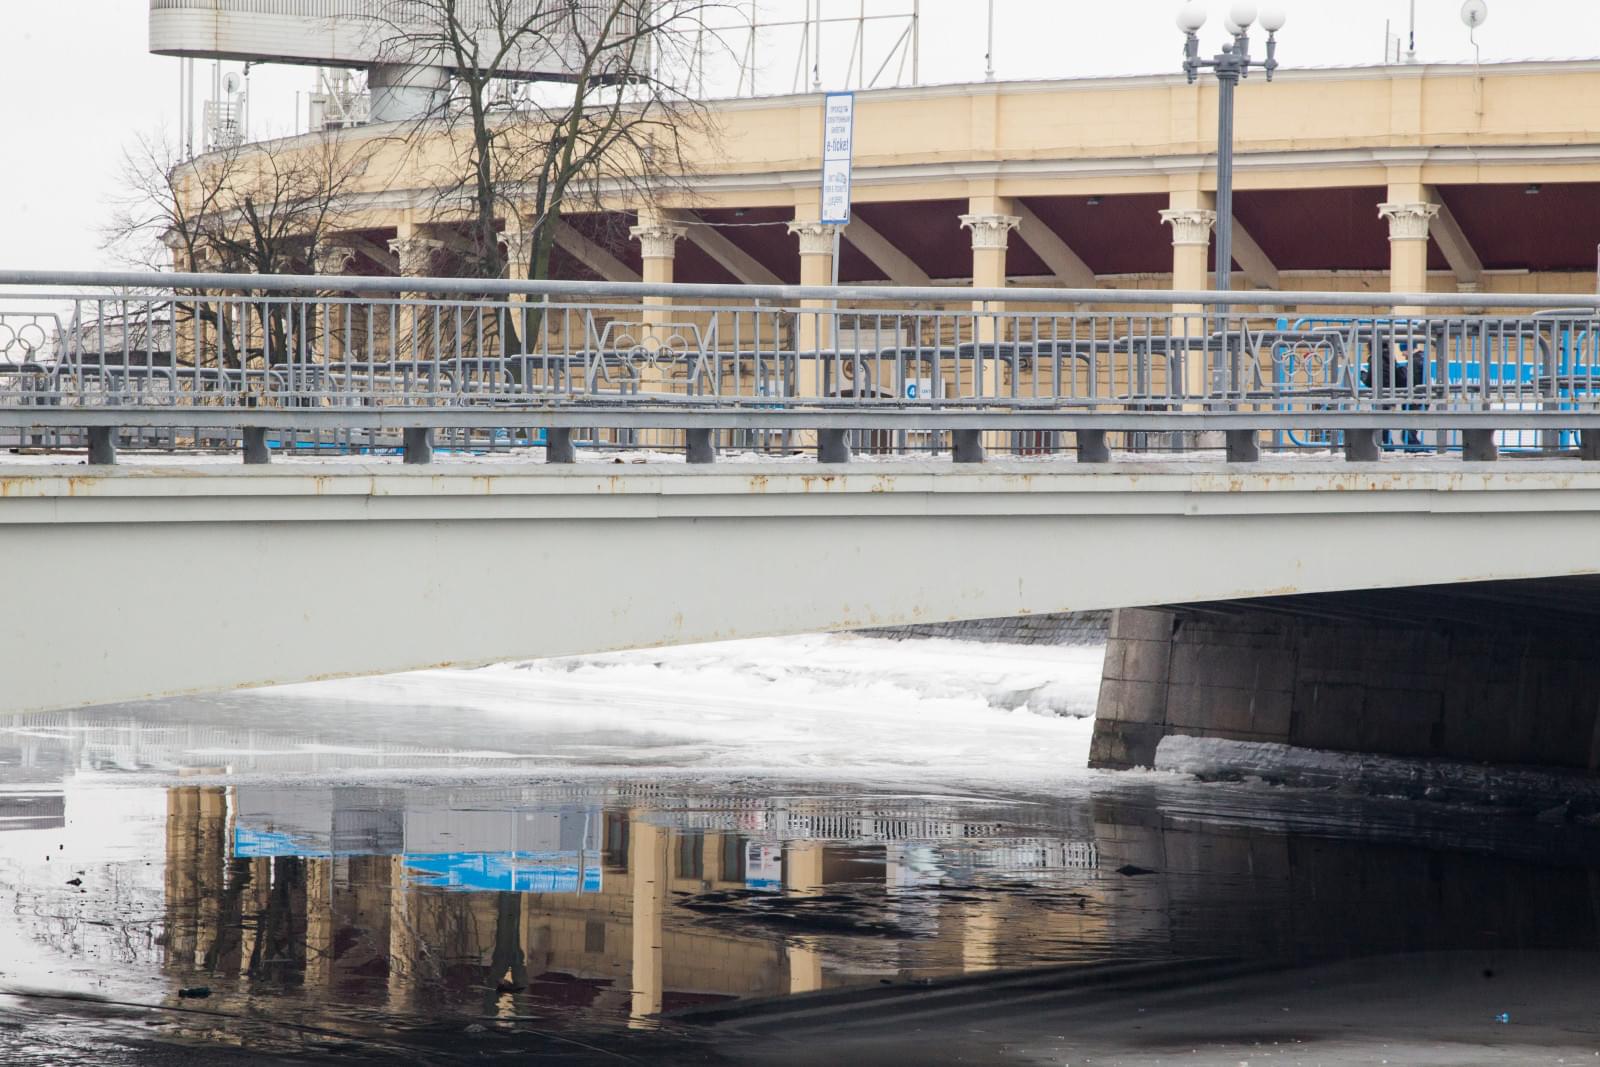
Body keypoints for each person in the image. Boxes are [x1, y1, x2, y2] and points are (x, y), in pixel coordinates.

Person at [1362, 336, 1425, 449]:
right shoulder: (1391, 357)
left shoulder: (1375, 358)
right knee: (1400, 428)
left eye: (1403, 350)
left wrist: (1363, 376)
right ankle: (1398, 448)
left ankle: (1394, 448)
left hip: (1382, 395)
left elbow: (1371, 380)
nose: (1402, 354)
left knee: (1383, 425)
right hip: (1392, 394)